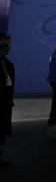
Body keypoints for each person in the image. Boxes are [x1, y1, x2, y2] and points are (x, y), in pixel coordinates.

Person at [0, 33, 14, 167]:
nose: (9, 48)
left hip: (5, 104)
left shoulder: (7, 64)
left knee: (2, 131)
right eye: (7, 45)